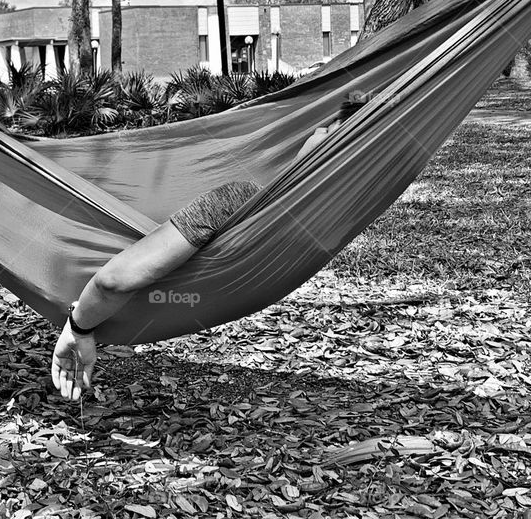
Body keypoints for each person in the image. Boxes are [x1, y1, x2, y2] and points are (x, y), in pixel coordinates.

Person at [51, 100, 365, 400]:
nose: (316, 132)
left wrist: (79, 327)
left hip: (72, 258)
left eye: (329, 131)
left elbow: (113, 281)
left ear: (330, 154)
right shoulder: (325, 234)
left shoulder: (240, 203)